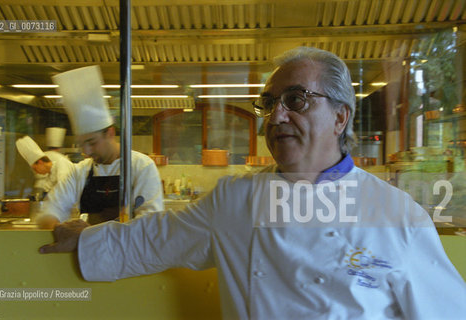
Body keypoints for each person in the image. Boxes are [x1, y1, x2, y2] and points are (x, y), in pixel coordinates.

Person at [40, 47, 466, 319]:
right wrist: (88, 238)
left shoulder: (397, 215)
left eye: (296, 100)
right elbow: (153, 239)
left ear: (340, 117)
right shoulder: (235, 200)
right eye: (268, 104)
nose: (277, 116)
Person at [37, 65, 164, 228]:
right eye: (82, 144)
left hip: (128, 251)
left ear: (110, 133)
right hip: (90, 249)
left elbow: (150, 223)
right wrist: (57, 228)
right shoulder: (79, 172)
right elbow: (50, 210)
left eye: (92, 142)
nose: (87, 151)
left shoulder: (141, 166)